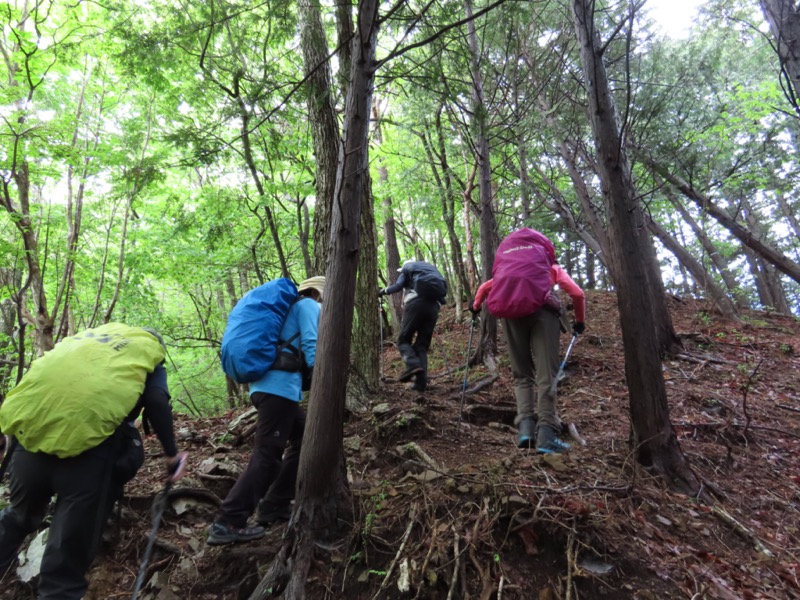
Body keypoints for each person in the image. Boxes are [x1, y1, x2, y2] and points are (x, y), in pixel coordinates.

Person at [0, 324, 187, 600]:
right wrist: (172, 454)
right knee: (65, 560)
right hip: (88, 457)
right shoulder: (148, 355)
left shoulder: (85, 342)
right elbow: (157, 400)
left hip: (29, 448)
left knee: (19, 516)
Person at [207, 276, 325, 545]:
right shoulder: (307, 305)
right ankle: (228, 520)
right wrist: (322, 377)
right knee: (268, 455)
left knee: (304, 438)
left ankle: (274, 503)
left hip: (264, 387)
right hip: (279, 389)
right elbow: (310, 344)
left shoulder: (285, 309)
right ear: (319, 293)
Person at [471, 240, 585, 454]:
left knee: (522, 375)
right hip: (544, 316)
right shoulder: (551, 268)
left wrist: (475, 307)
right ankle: (547, 436)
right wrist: (580, 321)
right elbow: (577, 293)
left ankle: (525, 431)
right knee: (546, 376)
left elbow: (485, 288)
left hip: (511, 317)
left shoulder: (507, 273)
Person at [379, 260, 447, 392]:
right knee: (421, 345)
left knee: (403, 340)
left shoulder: (407, 270)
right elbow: (443, 299)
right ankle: (421, 384)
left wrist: (382, 291)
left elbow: (397, 287)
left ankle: (412, 364)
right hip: (433, 307)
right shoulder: (428, 272)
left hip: (415, 304)